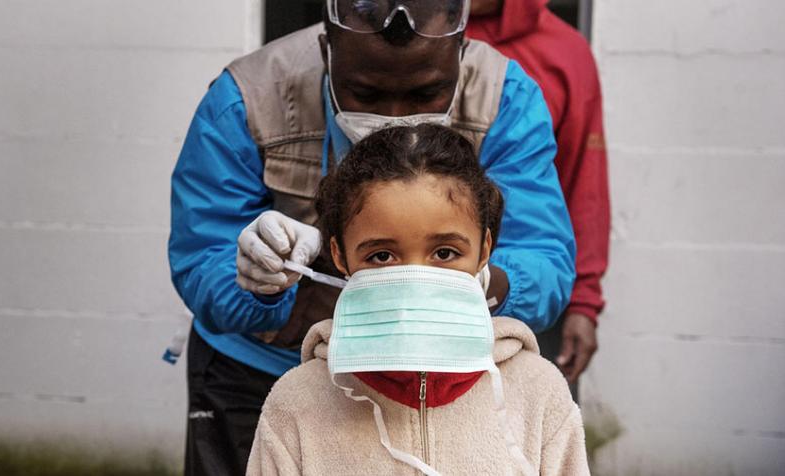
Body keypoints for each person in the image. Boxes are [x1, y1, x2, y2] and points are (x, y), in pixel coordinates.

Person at [168, 1, 575, 474]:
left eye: (427, 93)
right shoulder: (246, 98)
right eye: (365, 93)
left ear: (460, 54)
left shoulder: (506, 97)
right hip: (260, 373)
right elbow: (202, 258)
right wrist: (258, 281)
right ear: (327, 49)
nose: (397, 118)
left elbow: (544, 258)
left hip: (441, 379)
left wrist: (478, 285)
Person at [246, 124, 589, 475]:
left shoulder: (538, 393)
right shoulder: (297, 403)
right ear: (339, 255)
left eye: (444, 252)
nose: (415, 281)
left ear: (484, 249)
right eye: (381, 256)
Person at [467, 0, 611, 389]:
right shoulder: (408, 35)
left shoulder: (566, 52)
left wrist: (584, 301)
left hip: (522, 299)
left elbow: (584, 182)